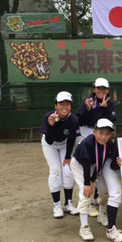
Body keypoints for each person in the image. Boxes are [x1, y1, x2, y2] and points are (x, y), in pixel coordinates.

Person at [70, 119, 122, 242]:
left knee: (105, 190)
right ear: (94, 132)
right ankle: (83, 227)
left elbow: (111, 160)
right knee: (86, 193)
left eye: (107, 134)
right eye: (101, 133)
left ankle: (101, 214)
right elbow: (85, 164)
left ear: (111, 135)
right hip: (80, 165)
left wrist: (118, 162)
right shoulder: (88, 142)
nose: (104, 136)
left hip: (95, 165)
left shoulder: (109, 144)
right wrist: (88, 182)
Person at [76, 77, 116, 216]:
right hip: (88, 132)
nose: (101, 91)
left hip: (103, 134)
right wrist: (88, 109)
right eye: (99, 88)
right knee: (88, 163)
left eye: (104, 88)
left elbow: (111, 122)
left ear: (108, 90)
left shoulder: (109, 103)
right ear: (94, 89)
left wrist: (104, 109)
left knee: (100, 164)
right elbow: (80, 120)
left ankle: (97, 199)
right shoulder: (88, 101)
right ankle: (89, 201)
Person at [40, 91, 80, 219]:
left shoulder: (73, 120)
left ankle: (68, 203)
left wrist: (68, 157)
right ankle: (56, 205)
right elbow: (49, 140)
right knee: (56, 170)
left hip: (64, 144)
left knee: (68, 170)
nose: (64, 107)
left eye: (67, 104)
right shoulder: (48, 117)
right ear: (56, 106)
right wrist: (51, 126)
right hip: (50, 145)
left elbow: (72, 139)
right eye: (61, 103)